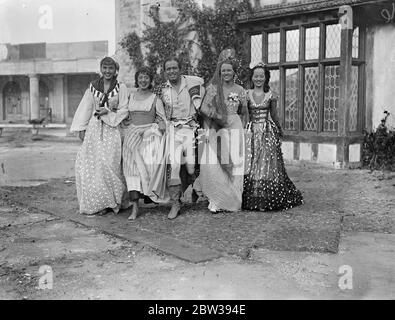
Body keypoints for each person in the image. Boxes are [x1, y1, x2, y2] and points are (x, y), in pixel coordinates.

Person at [70, 57, 129, 216]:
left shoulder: (121, 87)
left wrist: (109, 111)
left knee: (110, 164)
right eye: (104, 68)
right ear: (101, 68)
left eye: (110, 68)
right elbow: (86, 108)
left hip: (112, 129)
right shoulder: (93, 86)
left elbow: (124, 109)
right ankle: (100, 202)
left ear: (115, 69)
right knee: (94, 165)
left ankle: (114, 201)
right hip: (95, 128)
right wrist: (81, 128)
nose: (107, 71)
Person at [242, 62, 303, 211]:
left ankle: (265, 197)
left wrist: (280, 129)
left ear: (265, 78)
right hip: (251, 132)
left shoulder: (271, 95)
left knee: (265, 164)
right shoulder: (246, 94)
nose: (258, 78)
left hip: (266, 132)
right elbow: (245, 115)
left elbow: (274, 114)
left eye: (261, 76)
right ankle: (251, 196)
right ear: (252, 77)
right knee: (251, 163)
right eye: (256, 76)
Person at [197, 49, 249, 213]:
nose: (226, 73)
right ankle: (216, 198)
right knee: (214, 163)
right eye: (223, 70)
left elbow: (244, 111)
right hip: (217, 127)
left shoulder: (240, 90)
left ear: (234, 72)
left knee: (234, 162)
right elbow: (203, 107)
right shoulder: (213, 88)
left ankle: (233, 199)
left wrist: (241, 125)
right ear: (220, 72)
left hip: (234, 126)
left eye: (229, 70)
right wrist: (216, 114)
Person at [157, 57, 205, 219]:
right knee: (175, 166)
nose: (171, 71)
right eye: (168, 69)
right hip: (173, 129)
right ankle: (175, 203)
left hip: (191, 128)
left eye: (174, 68)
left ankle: (197, 189)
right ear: (164, 72)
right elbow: (158, 111)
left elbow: (203, 81)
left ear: (180, 69)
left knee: (191, 166)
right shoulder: (163, 90)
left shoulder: (190, 83)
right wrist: (161, 122)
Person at [121, 66, 169, 220]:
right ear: (137, 79)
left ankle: (151, 196)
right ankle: (135, 207)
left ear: (150, 80)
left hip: (149, 137)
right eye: (140, 77)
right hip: (131, 136)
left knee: (147, 169)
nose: (143, 80)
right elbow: (124, 115)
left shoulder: (156, 99)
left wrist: (157, 127)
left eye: (146, 77)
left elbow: (162, 119)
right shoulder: (130, 96)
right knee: (131, 171)